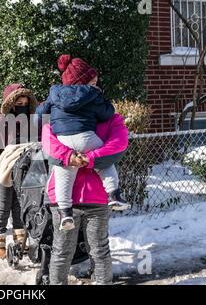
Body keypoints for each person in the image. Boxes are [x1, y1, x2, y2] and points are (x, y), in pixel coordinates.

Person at [36, 54, 129, 232]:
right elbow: (107, 113)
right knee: (105, 164)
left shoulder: (54, 95)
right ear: (84, 81)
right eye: (93, 82)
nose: (96, 85)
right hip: (85, 136)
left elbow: (39, 115)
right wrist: (100, 98)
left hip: (62, 139)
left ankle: (65, 212)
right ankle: (114, 193)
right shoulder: (92, 94)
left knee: (63, 174)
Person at [42, 112, 129, 285]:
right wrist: (70, 156)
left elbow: (119, 144)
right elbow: (48, 141)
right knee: (63, 250)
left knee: (97, 250)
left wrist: (89, 158)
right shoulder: (59, 117)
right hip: (63, 198)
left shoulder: (111, 118)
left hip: (95, 196)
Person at [0, 83, 39, 259]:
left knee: (19, 205)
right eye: (18, 103)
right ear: (10, 103)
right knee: (3, 205)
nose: (22, 106)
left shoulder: (32, 121)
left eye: (25, 103)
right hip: (3, 168)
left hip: (25, 169)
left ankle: (20, 236)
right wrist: (0, 164)